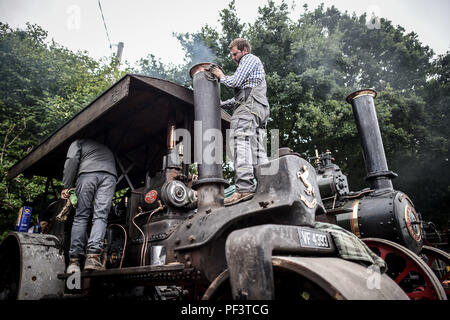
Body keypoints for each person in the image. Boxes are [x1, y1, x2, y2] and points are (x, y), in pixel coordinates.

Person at [211, 38, 270, 206]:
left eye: (234, 53)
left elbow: (234, 81)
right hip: (257, 109)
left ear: (244, 50)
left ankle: (244, 188)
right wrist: (220, 104)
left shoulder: (249, 59)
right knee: (257, 149)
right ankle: (267, 185)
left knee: (241, 143)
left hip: (249, 108)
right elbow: (238, 98)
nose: (233, 57)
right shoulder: (251, 70)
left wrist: (220, 76)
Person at [62, 139, 117, 273]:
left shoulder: (77, 142)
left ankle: (74, 261)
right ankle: (92, 257)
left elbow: (72, 160)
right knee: (101, 217)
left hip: (88, 174)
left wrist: (66, 186)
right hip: (110, 176)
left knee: (81, 216)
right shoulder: (106, 147)